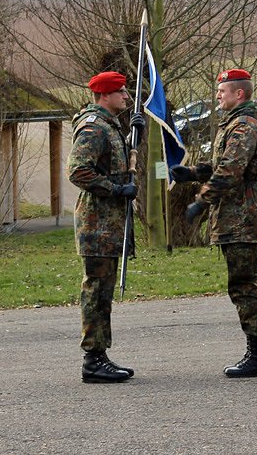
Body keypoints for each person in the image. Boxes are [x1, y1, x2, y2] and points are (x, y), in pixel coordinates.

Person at [171, 68, 257, 378]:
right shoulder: (234, 124)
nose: (218, 96)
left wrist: (202, 201)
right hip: (235, 214)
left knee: (244, 285)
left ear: (239, 94)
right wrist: (193, 173)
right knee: (241, 285)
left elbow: (231, 170)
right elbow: (221, 165)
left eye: (223, 91)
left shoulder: (243, 126)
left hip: (243, 215)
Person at [67, 71, 141, 384]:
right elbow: (78, 171)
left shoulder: (110, 127)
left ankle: (100, 356)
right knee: (95, 292)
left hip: (109, 224)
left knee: (103, 293)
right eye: (121, 92)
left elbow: (111, 163)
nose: (126, 97)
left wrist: (131, 139)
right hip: (97, 223)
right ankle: (92, 360)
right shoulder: (93, 127)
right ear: (105, 95)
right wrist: (114, 189)